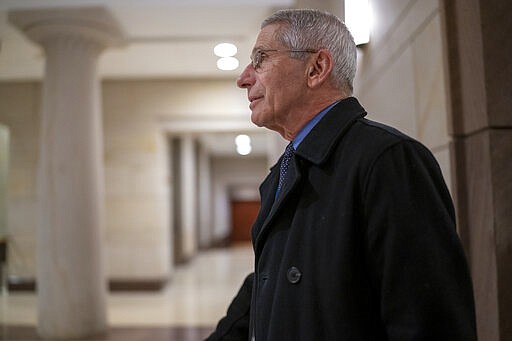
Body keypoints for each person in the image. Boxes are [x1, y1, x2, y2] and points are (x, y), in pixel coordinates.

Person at [206, 8, 477, 341]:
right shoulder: (284, 171)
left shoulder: (388, 160)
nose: (244, 77)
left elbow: (430, 322)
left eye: (261, 59)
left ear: (317, 68)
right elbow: (267, 287)